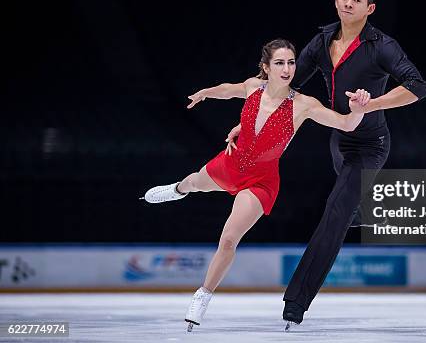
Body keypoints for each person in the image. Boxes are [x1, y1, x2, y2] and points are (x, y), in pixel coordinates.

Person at [225, 0, 426, 329]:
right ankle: (360, 211)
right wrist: (250, 118)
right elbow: (283, 85)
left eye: (358, 0)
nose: (350, 4)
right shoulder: (321, 43)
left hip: (370, 144)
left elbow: (418, 86)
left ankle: (295, 303)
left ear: (370, 8)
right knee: (348, 207)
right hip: (339, 141)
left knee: (335, 213)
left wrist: (372, 104)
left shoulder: (382, 46)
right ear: (336, 1)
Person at [141, 38, 372, 332]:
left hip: (260, 181)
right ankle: (177, 190)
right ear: (266, 67)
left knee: (228, 239)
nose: (287, 68)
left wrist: (358, 108)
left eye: (291, 62)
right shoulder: (253, 87)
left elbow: (347, 125)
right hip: (230, 164)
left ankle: (203, 295)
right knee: (192, 182)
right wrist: (206, 93)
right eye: (279, 63)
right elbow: (229, 89)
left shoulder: (303, 105)